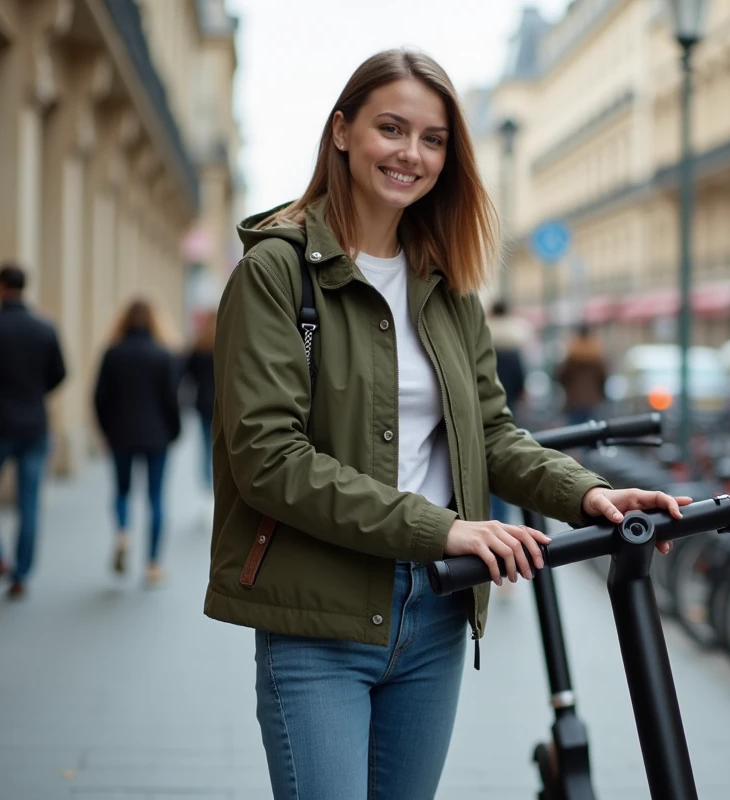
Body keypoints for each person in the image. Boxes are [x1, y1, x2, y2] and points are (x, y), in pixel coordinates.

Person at [204, 48, 690, 800]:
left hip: (434, 616)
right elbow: (269, 461)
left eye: (433, 139)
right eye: (391, 129)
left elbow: (490, 432)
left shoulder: (446, 281)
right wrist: (444, 528)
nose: (411, 154)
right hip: (318, 622)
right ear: (342, 131)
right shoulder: (275, 271)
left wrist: (588, 494)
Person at [0, 263, 67, 600]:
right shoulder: (44, 328)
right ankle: (20, 576)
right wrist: (33, 395)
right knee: (29, 502)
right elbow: (59, 373)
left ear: (0, 286)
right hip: (35, 425)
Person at [93, 298, 182, 587]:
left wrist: (106, 429)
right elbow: (172, 400)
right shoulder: (163, 355)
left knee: (121, 490)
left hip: (120, 433)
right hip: (157, 436)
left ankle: (122, 533)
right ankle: (153, 564)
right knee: (155, 497)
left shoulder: (113, 353)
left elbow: (99, 397)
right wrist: (174, 431)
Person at [486, 299, 527, 526]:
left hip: (483, 410)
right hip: (508, 408)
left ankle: (491, 517)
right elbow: (521, 381)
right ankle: (503, 519)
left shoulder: (484, 340)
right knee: (506, 460)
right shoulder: (513, 343)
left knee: (487, 465)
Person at [183, 309, 217, 494]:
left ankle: (207, 485)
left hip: (204, 402)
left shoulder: (199, 345)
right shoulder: (227, 343)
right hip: (224, 403)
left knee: (205, 445)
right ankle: (218, 482)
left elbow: (188, 373)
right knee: (223, 445)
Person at [555, 323, 609, 426]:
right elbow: (603, 377)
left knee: (576, 434)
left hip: (574, 401)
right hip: (593, 400)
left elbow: (561, 376)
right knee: (594, 433)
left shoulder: (572, 354)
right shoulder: (595, 354)